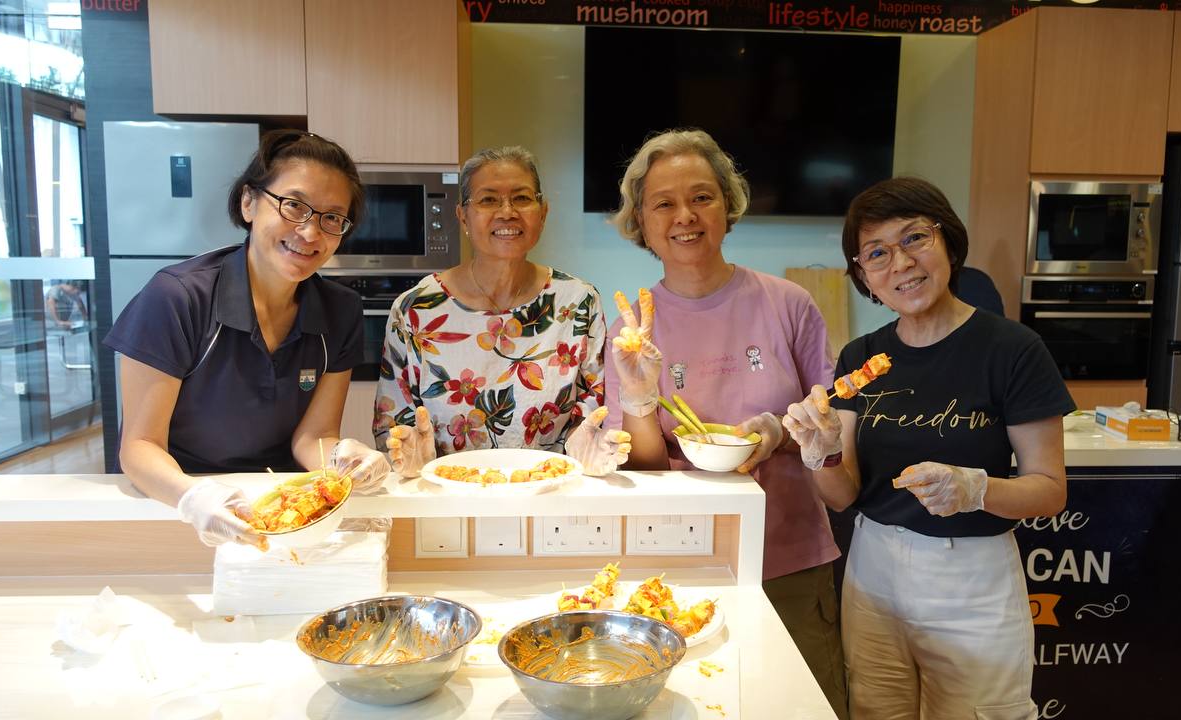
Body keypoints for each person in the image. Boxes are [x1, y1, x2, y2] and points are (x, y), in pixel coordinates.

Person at [781, 177, 1075, 719]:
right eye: (877, 253)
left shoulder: (1013, 350)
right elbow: (842, 496)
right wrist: (822, 453)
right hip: (874, 573)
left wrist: (975, 489)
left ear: (949, 243)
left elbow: (1050, 490)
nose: (901, 262)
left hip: (973, 581)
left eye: (915, 238)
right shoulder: (860, 356)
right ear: (864, 276)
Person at [603, 129, 848, 717]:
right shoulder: (632, 330)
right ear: (642, 222)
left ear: (728, 205)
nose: (685, 216)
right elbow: (645, 468)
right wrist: (639, 396)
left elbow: (829, 417)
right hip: (681, 563)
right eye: (664, 203)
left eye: (702, 197)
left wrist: (778, 433)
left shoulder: (788, 303)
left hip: (789, 556)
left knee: (802, 708)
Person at [105, 129, 391, 550]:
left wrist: (345, 459)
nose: (311, 232)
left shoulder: (340, 310)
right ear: (248, 202)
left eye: (332, 218)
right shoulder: (177, 297)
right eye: (294, 205)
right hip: (177, 505)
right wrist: (193, 498)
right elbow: (140, 446)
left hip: (280, 511)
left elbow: (313, 437)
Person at [373, 146, 628, 477]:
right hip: (447, 492)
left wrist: (588, 445)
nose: (507, 212)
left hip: (549, 488)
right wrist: (408, 457)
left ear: (543, 212)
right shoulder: (415, 309)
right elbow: (394, 426)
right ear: (462, 216)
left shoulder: (578, 302)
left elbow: (593, 411)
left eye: (521, 198)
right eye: (488, 199)